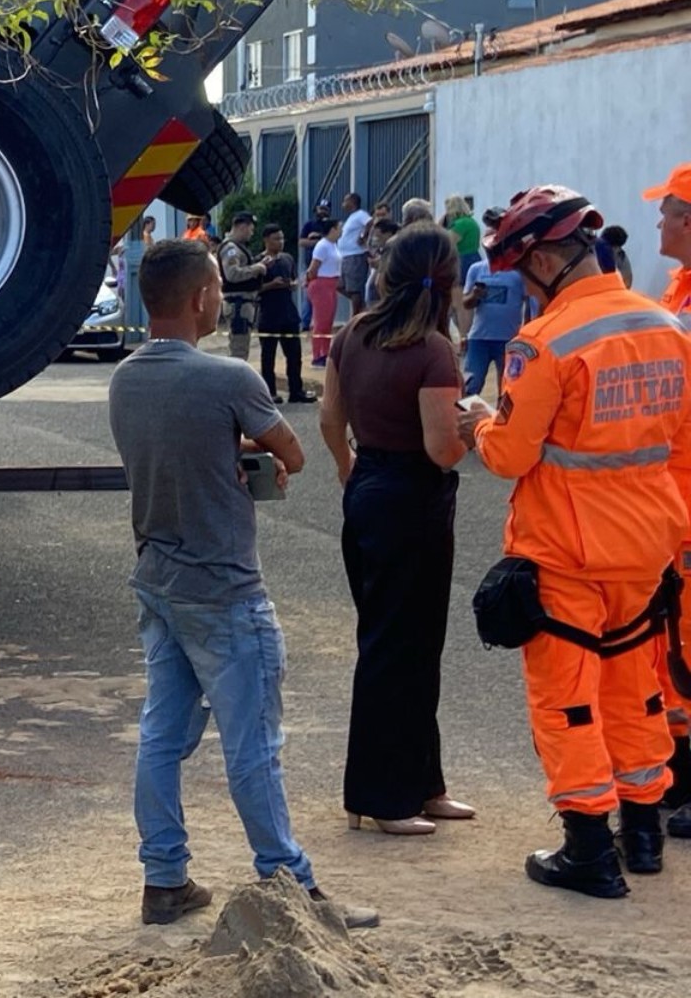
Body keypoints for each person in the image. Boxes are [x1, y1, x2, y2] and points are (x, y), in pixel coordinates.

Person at [108, 239, 376, 929]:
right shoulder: (229, 379)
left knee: (162, 737)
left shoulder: (125, 377)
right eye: (219, 285)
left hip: (157, 578)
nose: (222, 296)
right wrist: (243, 454)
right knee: (254, 744)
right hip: (224, 587)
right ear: (200, 298)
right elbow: (291, 453)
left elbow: (172, 451)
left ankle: (164, 879)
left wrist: (222, 453)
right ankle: (291, 885)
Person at [457, 185, 691, 898]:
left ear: (545, 260)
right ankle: (643, 830)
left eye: (521, 268)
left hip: (565, 550)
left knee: (568, 700)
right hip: (649, 544)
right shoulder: (668, 328)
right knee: (634, 688)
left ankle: (588, 846)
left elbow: (509, 456)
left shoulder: (545, 343)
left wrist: (479, 421)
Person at [320, 225, 471, 836]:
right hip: (414, 496)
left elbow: (331, 418)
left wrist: (348, 468)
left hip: (371, 485)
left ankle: (417, 782)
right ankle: (383, 795)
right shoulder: (434, 350)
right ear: (447, 281)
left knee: (396, 640)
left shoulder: (352, 333)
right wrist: (478, 424)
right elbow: (442, 450)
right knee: (403, 646)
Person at [645, 163, 691, 839]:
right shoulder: (679, 289)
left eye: (669, 211)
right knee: (672, 645)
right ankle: (677, 773)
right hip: (669, 500)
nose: (659, 220)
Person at [459, 208, 531, 397]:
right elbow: (466, 303)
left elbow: (529, 302)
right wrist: (475, 295)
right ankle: (466, 423)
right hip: (479, 338)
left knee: (507, 389)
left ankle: (500, 424)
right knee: (471, 385)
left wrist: (528, 332)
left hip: (508, 339)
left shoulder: (517, 272)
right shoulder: (476, 269)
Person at [257, 225, 311, 403]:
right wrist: (272, 284)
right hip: (269, 315)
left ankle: (296, 391)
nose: (280, 242)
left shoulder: (287, 259)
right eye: (276, 239)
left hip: (288, 313)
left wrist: (292, 283)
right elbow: (253, 289)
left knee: (294, 355)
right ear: (266, 240)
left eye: (282, 239)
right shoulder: (259, 262)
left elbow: (294, 278)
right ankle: (269, 393)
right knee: (268, 356)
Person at [218, 212, 266, 361]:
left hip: (242, 303)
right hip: (238, 304)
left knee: (242, 347)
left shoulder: (238, 247)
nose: (251, 234)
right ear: (242, 226)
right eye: (250, 229)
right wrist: (256, 269)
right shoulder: (230, 248)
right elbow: (232, 274)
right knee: (239, 350)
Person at [308, 218, 344, 366]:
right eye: (339, 228)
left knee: (328, 321)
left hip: (331, 283)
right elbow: (313, 267)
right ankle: (318, 355)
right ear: (333, 229)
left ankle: (325, 351)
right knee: (321, 321)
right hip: (322, 283)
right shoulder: (322, 246)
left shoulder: (333, 245)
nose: (341, 230)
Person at [120, 215, 156, 342]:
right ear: (147, 224)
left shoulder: (147, 237)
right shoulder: (144, 237)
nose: (154, 226)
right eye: (153, 223)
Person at [298, 199, 333, 332]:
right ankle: (305, 324)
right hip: (311, 264)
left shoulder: (330, 225)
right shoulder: (310, 225)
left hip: (328, 267)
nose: (322, 211)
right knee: (309, 295)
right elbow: (302, 242)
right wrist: (318, 242)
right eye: (320, 209)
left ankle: (323, 323)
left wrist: (318, 238)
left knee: (326, 297)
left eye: (325, 209)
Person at [339, 193, 373, 314]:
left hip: (355, 255)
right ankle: (362, 305)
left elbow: (370, 223)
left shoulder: (360, 215)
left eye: (345, 201)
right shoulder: (352, 217)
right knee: (341, 285)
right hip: (346, 255)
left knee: (355, 288)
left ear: (352, 202)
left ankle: (356, 313)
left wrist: (363, 236)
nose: (343, 204)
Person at [446, 196, 483, 278]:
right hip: (475, 257)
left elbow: (447, 243)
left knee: (461, 288)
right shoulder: (471, 221)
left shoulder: (460, 224)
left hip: (463, 260)